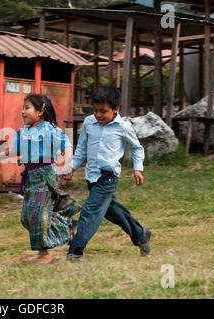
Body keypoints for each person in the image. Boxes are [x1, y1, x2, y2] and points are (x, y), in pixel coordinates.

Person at [65, 86, 151, 261]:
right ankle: (141, 234)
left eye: (103, 111)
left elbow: (136, 147)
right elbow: (81, 148)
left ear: (115, 109)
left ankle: (75, 252)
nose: (98, 115)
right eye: (95, 110)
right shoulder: (89, 123)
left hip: (108, 177)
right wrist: (72, 167)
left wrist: (137, 168)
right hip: (92, 177)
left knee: (89, 212)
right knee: (112, 211)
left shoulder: (123, 127)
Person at [9, 94, 81, 264]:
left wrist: (68, 165)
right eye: (23, 108)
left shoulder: (50, 130)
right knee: (26, 217)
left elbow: (68, 146)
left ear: (40, 112)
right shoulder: (23, 132)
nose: (23, 112)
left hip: (45, 174)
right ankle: (67, 226)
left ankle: (44, 255)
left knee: (37, 214)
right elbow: (12, 151)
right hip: (30, 177)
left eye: (27, 108)